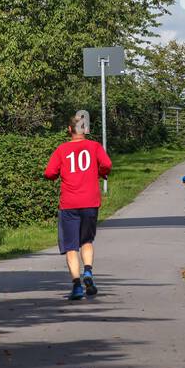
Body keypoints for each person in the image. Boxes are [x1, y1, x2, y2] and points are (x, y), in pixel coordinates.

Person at [43, 113, 111, 300]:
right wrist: (101, 173)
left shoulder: (62, 149)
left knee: (71, 246)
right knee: (86, 241)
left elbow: (49, 173)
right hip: (90, 201)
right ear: (86, 130)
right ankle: (88, 272)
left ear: (69, 129)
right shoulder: (95, 146)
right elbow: (106, 164)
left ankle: (76, 286)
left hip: (69, 204)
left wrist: (55, 176)